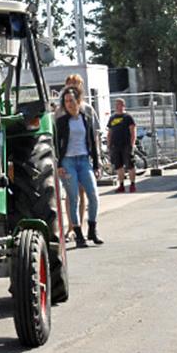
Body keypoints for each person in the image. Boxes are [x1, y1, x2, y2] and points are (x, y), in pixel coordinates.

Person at [54, 87, 103, 247]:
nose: (69, 104)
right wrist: (58, 164)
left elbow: (92, 142)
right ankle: (78, 234)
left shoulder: (85, 118)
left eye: (71, 100)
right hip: (68, 162)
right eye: (66, 101)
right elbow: (56, 144)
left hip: (84, 160)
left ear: (78, 101)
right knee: (73, 197)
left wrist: (96, 164)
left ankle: (92, 229)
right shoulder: (61, 122)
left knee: (93, 195)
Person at [107, 98, 137, 193]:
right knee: (118, 166)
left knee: (130, 165)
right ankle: (121, 185)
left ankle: (132, 184)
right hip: (115, 146)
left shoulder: (128, 117)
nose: (117, 106)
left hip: (126, 145)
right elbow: (110, 132)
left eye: (119, 104)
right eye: (116, 105)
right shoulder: (112, 118)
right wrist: (109, 144)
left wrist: (132, 144)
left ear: (123, 105)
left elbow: (133, 131)